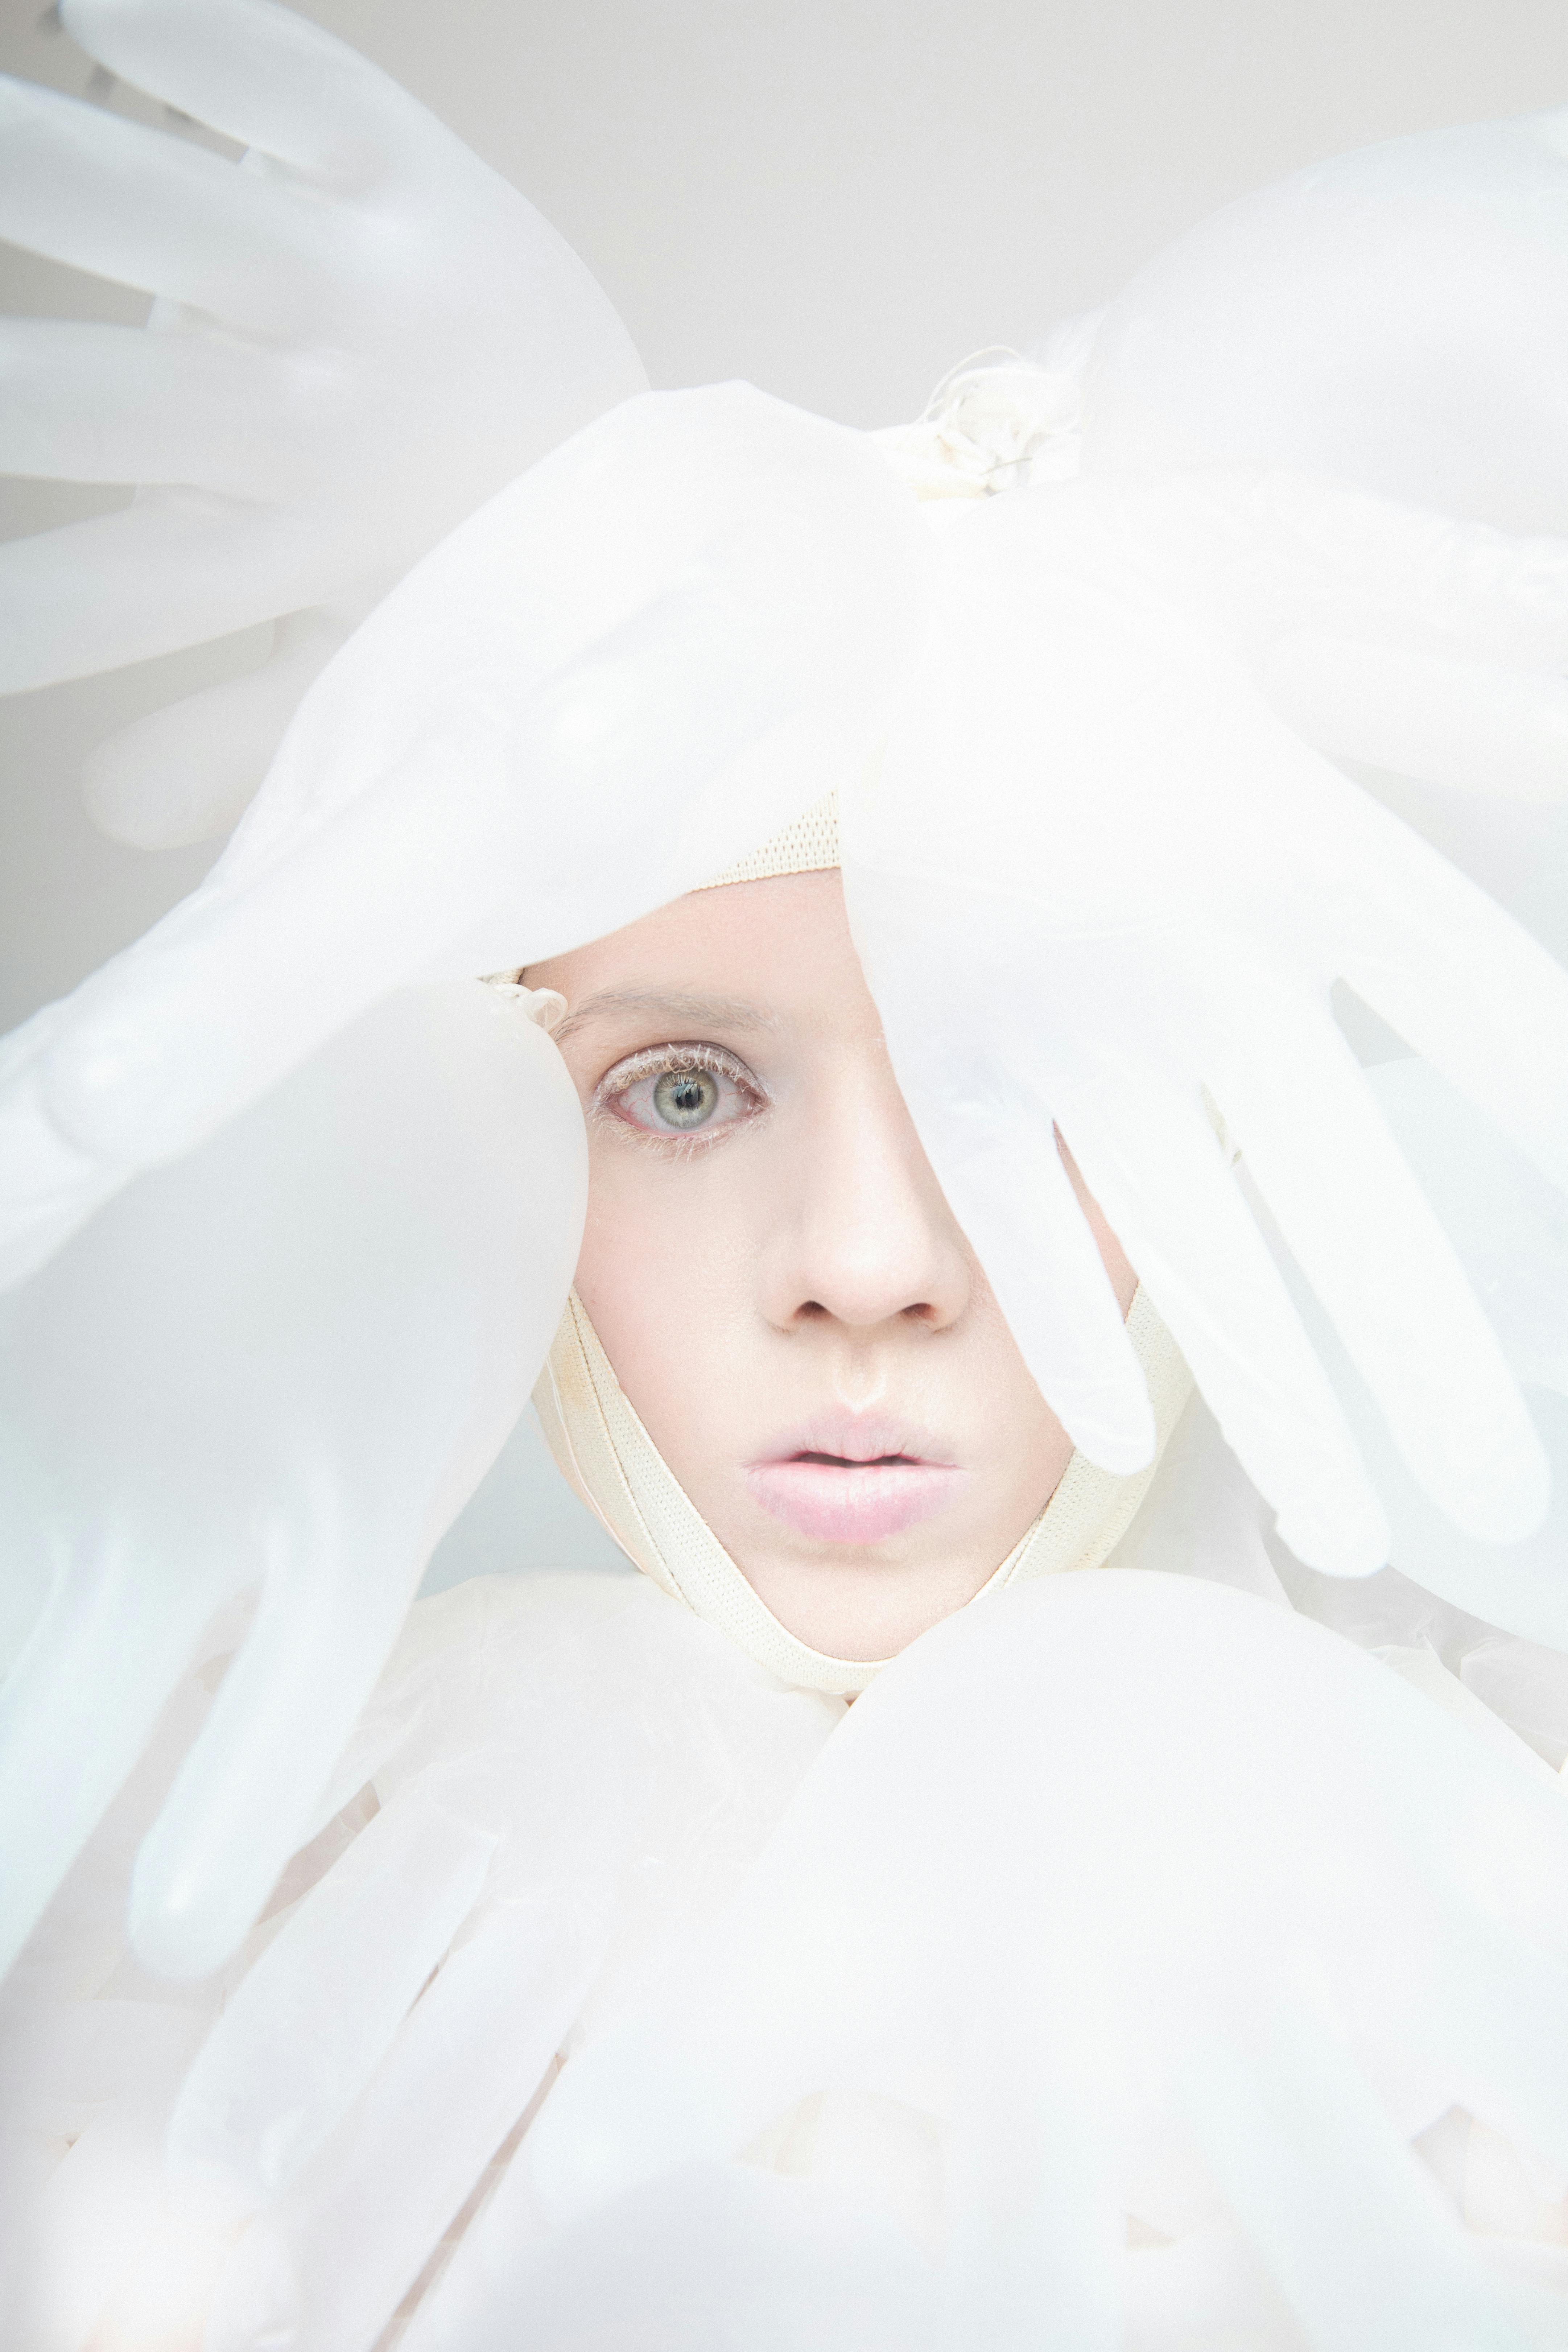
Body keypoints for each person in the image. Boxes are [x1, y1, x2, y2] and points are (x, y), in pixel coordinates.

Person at [3, 3, 1568, 2346]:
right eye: (684, 1090)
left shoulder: (1457, 1864)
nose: (868, 1270)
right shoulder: (247, 1952)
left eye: (1010, 1079)